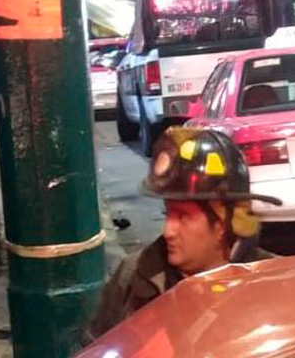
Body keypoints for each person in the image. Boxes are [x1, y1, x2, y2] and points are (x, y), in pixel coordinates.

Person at [87, 127, 282, 338]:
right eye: (168, 213)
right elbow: (95, 350)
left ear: (223, 224)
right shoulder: (133, 276)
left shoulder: (274, 283)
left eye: (183, 216)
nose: (168, 231)